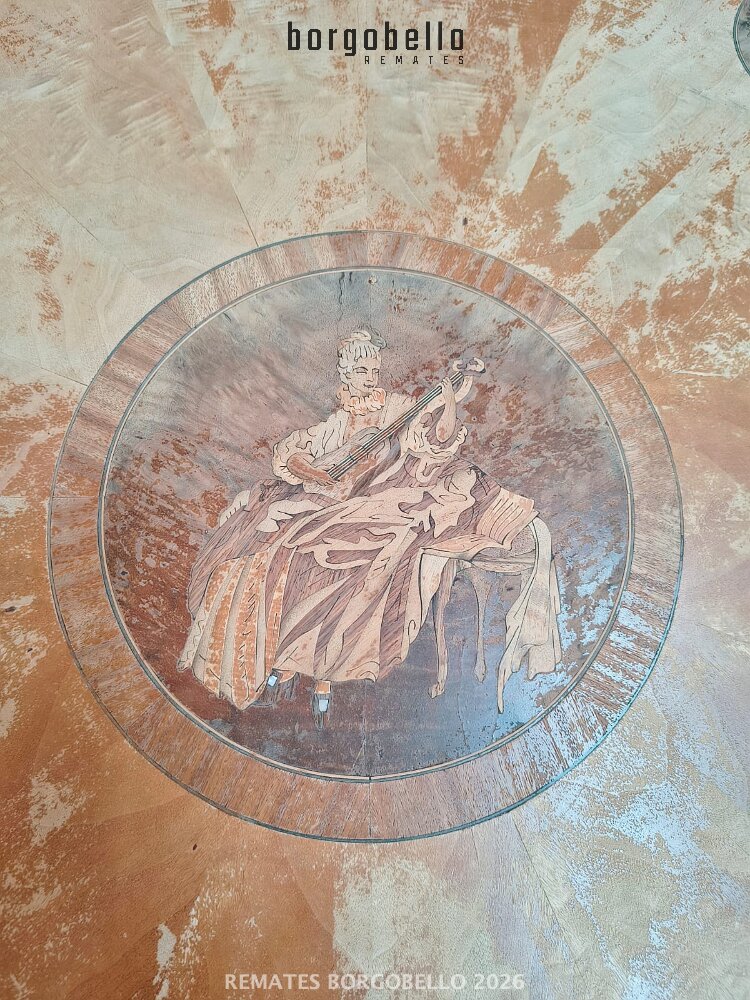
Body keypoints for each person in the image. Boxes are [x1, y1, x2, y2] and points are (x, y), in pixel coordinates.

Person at [177, 328, 561, 723]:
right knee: (277, 553)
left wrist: (449, 396)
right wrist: (314, 472)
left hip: (381, 503)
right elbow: (294, 455)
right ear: (345, 374)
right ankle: (285, 660)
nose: (370, 377)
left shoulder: (396, 408)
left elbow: (437, 435)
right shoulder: (337, 422)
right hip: (329, 502)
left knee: (358, 568)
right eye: (362, 370)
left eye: (374, 370)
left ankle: (325, 674)